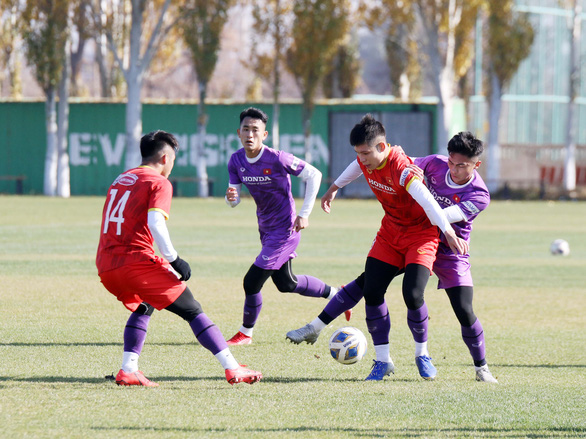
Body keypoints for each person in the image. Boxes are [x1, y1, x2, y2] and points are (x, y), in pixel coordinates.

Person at [287, 131, 498, 383]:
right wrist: (402, 162)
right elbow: (400, 163)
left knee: (463, 309)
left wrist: (413, 184)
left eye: (461, 165)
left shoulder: (479, 195)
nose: (453, 169)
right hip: (416, 236)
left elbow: (437, 214)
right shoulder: (435, 162)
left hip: (450, 248)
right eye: (451, 162)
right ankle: (316, 328)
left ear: (477, 165)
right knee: (368, 283)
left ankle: (481, 368)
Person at [96, 130, 262, 387]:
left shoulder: (122, 178)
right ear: (164, 157)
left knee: (145, 304)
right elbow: (155, 222)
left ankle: (129, 369)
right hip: (135, 263)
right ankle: (233, 368)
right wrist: (174, 259)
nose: (172, 165)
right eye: (172, 159)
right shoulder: (159, 182)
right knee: (192, 309)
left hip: (106, 266)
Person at [224, 107, 349, 346]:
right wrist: (232, 198)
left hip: (285, 230)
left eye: (255, 130)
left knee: (251, 282)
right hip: (266, 229)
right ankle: (338, 295)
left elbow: (315, 175)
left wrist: (304, 214)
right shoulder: (236, 160)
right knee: (286, 283)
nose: (250, 134)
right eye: (246, 130)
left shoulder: (277, 158)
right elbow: (234, 199)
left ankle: (245, 333)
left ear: (265, 134)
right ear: (238, 133)